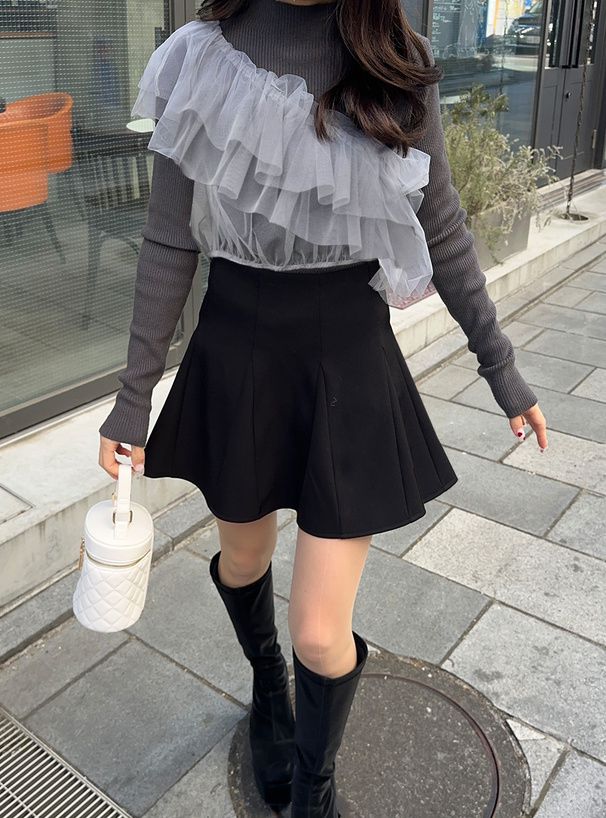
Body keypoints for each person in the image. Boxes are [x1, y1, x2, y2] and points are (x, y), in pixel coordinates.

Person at [98, 1, 549, 815]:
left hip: (349, 358)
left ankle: (316, 788)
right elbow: (170, 238)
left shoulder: (395, 59)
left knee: (319, 630)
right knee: (243, 562)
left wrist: (501, 367)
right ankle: (268, 687)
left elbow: (442, 226)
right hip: (237, 349)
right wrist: (134, 397)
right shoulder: (200, 56)